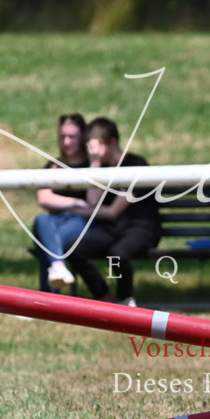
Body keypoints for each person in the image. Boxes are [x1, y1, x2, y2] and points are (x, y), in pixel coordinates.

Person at [66, 118, 157, 306]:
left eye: (97, 146)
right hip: (114, 228)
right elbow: (93, 201)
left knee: (118, 254)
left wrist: (76, 210)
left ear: (113, 143)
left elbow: (113, 212)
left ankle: (125, 300)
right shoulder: (102, 168)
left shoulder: (135, 164)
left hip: (141, 227)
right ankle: (104, 296)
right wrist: (95, 163)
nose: (93, 151)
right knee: (73, 249)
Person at [32, 113, 92, 292]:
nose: (66, 142)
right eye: (63, 137)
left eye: (72, 137)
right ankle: (58, 268)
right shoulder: (53, 165)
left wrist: (64, 204)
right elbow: (43, 198)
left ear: (83, 137)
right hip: (57, 222)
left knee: (48, 239)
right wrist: (78, 203)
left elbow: (95, 205)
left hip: (85, 224)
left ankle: (47, 300)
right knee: (42, 221)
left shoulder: (93, 165)